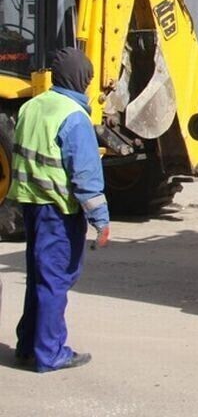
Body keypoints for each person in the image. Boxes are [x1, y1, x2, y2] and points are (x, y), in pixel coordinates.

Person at [7, 47, 110, 372]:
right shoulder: (74, 117)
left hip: (31, 206)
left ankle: (28, 346)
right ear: (81, 78)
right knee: (55, 280)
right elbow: (86, 176)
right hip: (58, 211)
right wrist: (101, 220)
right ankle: (50, 353)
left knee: (38, 278)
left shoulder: (31, 106)